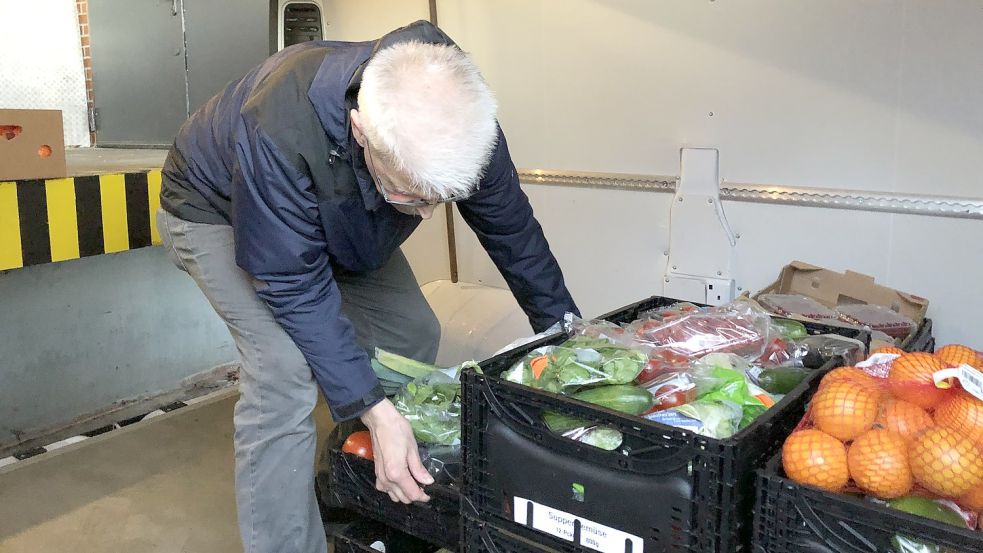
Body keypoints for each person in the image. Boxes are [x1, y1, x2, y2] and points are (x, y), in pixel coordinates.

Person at [156, 19, 577, 553]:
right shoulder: (279, 123)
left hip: (338, 207)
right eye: (412, 198)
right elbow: (293, 283)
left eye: (437, 200)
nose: (425, 215)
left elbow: (512, 229)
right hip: (218, 208)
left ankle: (352, 480)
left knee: (410, 332)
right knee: (283, 372)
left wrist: (565, 331)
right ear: (360, 130)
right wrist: (375, 408)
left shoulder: (456, 110)